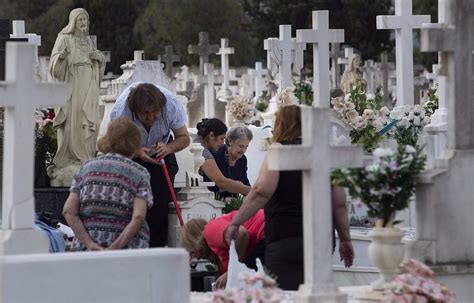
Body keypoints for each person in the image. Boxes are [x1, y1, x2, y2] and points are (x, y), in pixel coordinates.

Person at [225, 105, 354, 290]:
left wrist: (236, 222)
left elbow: (261, 191)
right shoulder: (323, 151)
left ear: (281, 124)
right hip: (322, 238)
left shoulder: (279, 150)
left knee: (287, 295)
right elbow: (339, 204)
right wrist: (345, 239)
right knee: (317, 293)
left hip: (286, 236)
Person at [110, 82, 190, 247]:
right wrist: (137, 151)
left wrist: (168, 148)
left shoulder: (172, 105)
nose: (151, 117)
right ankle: (130, 244)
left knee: (160, 204)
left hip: (162, 153)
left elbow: (184, 137)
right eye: (145, 113)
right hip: (131, 152)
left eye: (155, 112)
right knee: (131, 203)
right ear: (134, 110)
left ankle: (157, 246)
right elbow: (115, 142)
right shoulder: (121, 111)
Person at [63, 117, 153, 251]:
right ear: (136, 143)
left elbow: (68, 211)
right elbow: (138, 216)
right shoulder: (140, 173)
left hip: (87, 253)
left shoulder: (86, 168)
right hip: (128, 254)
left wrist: (89, 244)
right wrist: (114, 248)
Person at [49, 8, 106, 172]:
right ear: (73, 22)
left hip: (88, 83)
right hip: (72, 83)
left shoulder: (88, 40)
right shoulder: (64, 38)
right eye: (80, 20)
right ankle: (70, 157)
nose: (83, 23)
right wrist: (61, 57)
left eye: (85, 20)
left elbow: (97, 58)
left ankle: (86, 156)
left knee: (87, 119)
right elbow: (54, 65)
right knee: (73, 118)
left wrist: (100, 59)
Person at [181, 210, 265, 289]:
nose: (198, 257)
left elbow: (241, 233)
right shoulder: (219, 252)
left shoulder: (210, 231)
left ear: (195, 241)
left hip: (265, 232)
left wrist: (232, 271)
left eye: (193, 252)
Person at [196, 118, 250, 196]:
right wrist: (251, 192)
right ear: (211, 135)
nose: (222, 143)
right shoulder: (202, 151)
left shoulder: (198, 143)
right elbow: (222, 183)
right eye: (221, 138)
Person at [209, 125, 253, 199]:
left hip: (233, 203)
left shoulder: (242, 159)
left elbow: (245, 183)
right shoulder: (217, 154)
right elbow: (210, 184)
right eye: (241, 146)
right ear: (230, 141)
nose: (243, 150)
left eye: (246, 147)